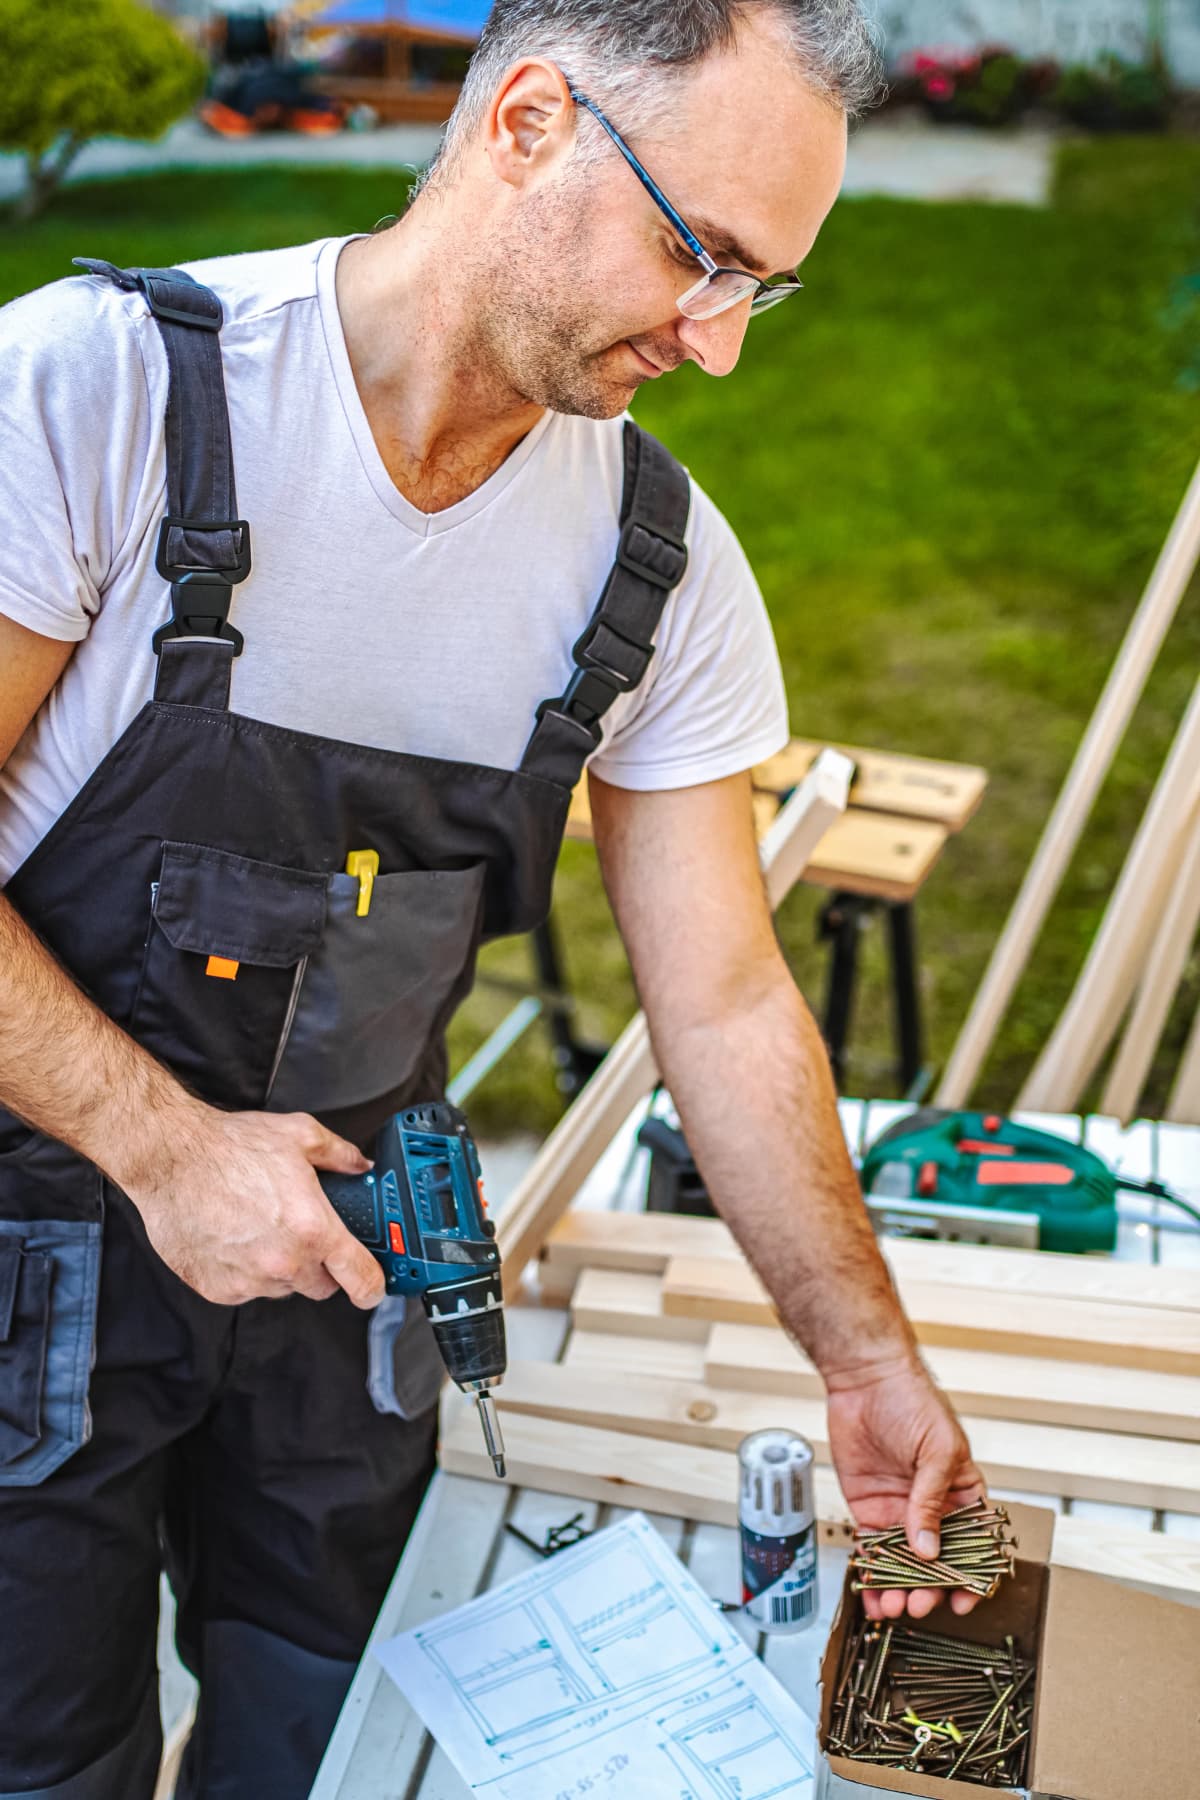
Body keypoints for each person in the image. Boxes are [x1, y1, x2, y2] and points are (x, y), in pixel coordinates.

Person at [0, 2, 985, 1794]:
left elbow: (728, 999)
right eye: (702, 256)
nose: (719, 343)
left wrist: (861, 1359)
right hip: (34, 1251)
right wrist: (165, 1150)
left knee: (334, 1738)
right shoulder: (104, 397)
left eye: (761, 286)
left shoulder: (653, 570)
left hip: (350, 1280)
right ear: (529, 121)